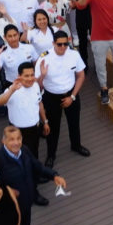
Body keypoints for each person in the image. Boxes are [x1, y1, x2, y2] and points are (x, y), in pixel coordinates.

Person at [36, 30, 88, 168]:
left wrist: (72, 96)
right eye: (60, 44)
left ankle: (76, 146)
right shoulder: (43, 58)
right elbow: (37, 84)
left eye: (66, 44)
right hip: (51, 97)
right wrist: (42, 75)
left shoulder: (74, 55)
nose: (63, 47)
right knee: (53, 128)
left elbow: (81, 76)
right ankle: (51, 155)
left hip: (71, 94)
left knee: (74, 123)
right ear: (53, 43)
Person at [0, 62, 48, 164]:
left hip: (34, 128)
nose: (30, 79)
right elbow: (0, 102)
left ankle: (34, 175)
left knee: (34, 153)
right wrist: (11, 90)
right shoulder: (12, 89)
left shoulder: (36, 86)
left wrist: (45, 121)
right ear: (19, 76)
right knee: (18, 157)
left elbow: (39, 104)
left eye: (32, 75)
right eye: (26, 76)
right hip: (18, 131)